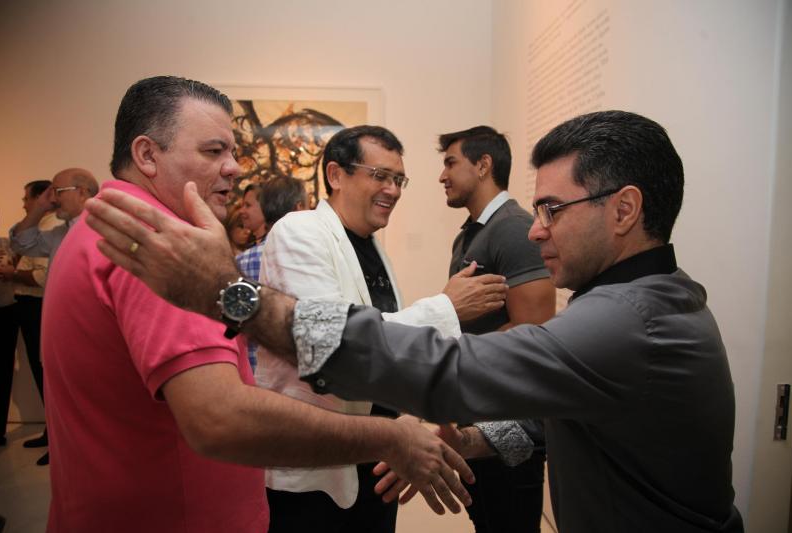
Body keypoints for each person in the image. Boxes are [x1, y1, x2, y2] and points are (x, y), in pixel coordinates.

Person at [85, 110, 745, 533]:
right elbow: (560, 411)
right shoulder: (648, 301)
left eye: (553, 209)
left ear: (624, 209)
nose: (536, 230)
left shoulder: (628, 320)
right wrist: (476, 441)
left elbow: (446, 368)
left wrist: (233, 295)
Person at [42, 75, 473, 533]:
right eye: (213, 151)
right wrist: (390, 438)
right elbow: (220, 417)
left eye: (232, 151)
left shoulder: (107, 227)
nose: (234, 167)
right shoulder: (157, 245)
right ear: (148, 155)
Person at [257, 125, 510, 533]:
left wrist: (411, 421)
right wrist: (446, 307)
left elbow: (384, 346)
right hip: (315, 469)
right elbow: (333, 340)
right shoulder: (299, 231)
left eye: (399, 180)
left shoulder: (372, 247)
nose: (392, 190)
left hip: (376, 460)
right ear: (336, 175)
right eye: (380, 175)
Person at [438, 125, 556, 532]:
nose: (442, 175)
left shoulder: (512, 228)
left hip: (511, 424)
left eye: (451, 163)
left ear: (483, 165)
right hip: (479, 414)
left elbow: (534, 330)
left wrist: (452, 355)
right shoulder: (470, 234)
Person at [10, 172, 97, 466]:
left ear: (82, 192)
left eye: (58, 191)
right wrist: (39, 208)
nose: (53, 198)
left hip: (89, 335)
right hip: (61, 333)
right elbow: (22, 243)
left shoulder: (103, 227)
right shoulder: (60, 233)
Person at [3, 181, 59, 462]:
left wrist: (12, 273)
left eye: (27, 198)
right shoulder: (41, 227)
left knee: (46, 373)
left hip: (37, 306)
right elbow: (19, 242)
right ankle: (52, 433)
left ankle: (57, 440)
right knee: (40, 372)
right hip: (28, 307)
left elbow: (42, 277)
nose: (24, 204)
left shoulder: (51, 228)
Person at [237, 176, 308, 374]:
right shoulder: (310, 257)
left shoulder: (241, 261)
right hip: (301, 372)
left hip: (255, 372)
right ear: (299, 208)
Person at [0, 207, 18, 447]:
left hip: (6, 312)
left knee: (3, 371)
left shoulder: (6, 244)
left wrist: (12, 271)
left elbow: (17, 270)